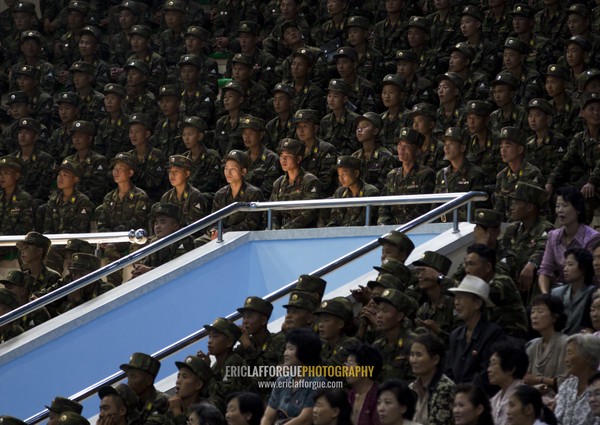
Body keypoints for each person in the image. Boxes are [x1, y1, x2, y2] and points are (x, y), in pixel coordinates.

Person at [446, 275, 506, 390]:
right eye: (456, 298)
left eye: (461, 298)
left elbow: (486, 375)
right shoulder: (455, 335)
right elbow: (449, 371)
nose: (456, 303)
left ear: (477, 304)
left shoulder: (493, 333)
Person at [538, 186, 600, 294]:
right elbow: (545, 270)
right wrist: (545, 295)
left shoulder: (592, 238)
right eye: (557, 206)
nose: (560, 210)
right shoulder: (553, 236)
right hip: (561, 290)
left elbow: (592, 275)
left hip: (587, 291)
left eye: (565, 206)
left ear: (578, 209)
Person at [501, 182, 554, 304]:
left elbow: (543, 249)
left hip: (532, 288)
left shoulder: (545, 228)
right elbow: (503, 254)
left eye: (516, 202)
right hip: (513, 284)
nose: (511, 207)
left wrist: (531, 264)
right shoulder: (512, 229)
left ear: (530, 207)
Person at [260, 328, 326, 425]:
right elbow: (268, 417)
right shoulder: (282, 380)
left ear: (304, 352)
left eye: (290, 349)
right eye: (286, 349)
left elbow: (305, 420)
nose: (285, 353)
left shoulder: (318, 382)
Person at [377, 127, 435, 225]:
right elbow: (384, 205)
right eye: (399, 145)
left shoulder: (426, 174)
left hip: (415, 226)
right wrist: (384, 224)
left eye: (406, 146)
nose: (401, 149)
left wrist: (405, 226)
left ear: (417, 150)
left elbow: (424, 207)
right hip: (392, 228)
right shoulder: (392, 175)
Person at [204, 150, 263, 240]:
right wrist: (214, 230)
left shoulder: (253, 193)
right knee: (198, 242)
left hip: (243, 238)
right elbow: (214, 219)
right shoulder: (220, 194)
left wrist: (225, 232)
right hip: (220, 236)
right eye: (226, 168)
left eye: (233, 169)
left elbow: (251, 223)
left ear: (243, 171)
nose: (228, 172)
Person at [269, 138, 322, 229]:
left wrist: (286, 229)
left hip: (304, 232)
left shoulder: (310, 181)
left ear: (298, 159)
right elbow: (273, 210)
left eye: (288, 155)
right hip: (281, 232)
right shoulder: (278, 183)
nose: (283, 159)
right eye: (281, 155)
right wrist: (275, 229)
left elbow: (309, 212)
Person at [198, 317, 247, 412]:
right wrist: (206, 368)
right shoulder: (216, 365)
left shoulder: (234, 361)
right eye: (210, 336)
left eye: (215, 336)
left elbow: (223, 393)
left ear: (229, 342)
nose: (209, 341)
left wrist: (207, 373)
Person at [524, 294, 568, 397]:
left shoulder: (565, 343)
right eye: (533, 311)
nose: (534, 316)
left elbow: (566, 381)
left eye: (540, 311)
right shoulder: (532, 345)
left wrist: (539, 380)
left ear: (554, 317)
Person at [409, 331, 455, 425]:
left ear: (435, 359)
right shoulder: (411, 388)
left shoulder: (445, 389)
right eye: (412, 354)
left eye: (419, 355)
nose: (413, 360)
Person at [373, 288, 418, 382]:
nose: (379, 316)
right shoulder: (377, 347)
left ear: (399, 316)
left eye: (384, 311)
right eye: (378, 311)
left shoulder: (414, 344)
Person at [555, 334, 600, 425]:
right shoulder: (567, 385)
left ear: (588, 357)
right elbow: (557, 418)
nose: (566, 360)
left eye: (570, 353)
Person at [551, 248, 596, 334]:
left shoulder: (593, 293)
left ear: (583, 268)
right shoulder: (556, 293)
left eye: (570, 264)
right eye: (565, 265)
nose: (565, 269)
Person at [412, 252, 455, 341]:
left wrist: (438, 331)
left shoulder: (453, 303)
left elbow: (462, 341)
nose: (419, 276)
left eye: (424, 272)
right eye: (419, 272)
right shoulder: (423, 310)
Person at [326, 155, 380, 227]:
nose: (340, 178)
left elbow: (362, 222)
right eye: (339, 174)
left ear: (356, 173)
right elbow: (334, 219)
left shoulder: (370, 193)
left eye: (344, 174)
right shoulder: (340, 192)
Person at [351, 112, 395, 193]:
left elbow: (385, 188)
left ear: (375, 131)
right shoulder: (354, 156)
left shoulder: (386, 156)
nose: (359, 130)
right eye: (358, 127)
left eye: (364, 126)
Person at [239, 116, 281, 199]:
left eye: (250, 133)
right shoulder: (241, 157)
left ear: (261, 135)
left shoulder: (271, 158)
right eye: (244, 133)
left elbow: (268, 188)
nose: (246, 137)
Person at [160, 154, 207, 228]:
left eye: (176, 171)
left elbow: (195, 225)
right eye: (170, 171)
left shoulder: (195, 196)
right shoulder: (166, 197)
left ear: (187, 174)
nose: (172, 175)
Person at [488, 342, 529, 425]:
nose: (489, 369)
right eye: (489, 364)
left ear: (511, 369)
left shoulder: (524, 396)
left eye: (493, 364)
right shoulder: (494, 400)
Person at [119, 352, 169, 417]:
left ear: (149, 380)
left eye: (133, 376)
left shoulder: (162, 402)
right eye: (128, 377)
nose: (128, 383)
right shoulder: (133, 404)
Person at [168, 355, 214, 424]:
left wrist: (178, 415)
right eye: (178, 376)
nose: (178, 381)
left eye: (184, 376)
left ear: (198, 385)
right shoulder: (174, 406)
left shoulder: (207, 411)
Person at [346, 343, 383, 425]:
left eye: (350, 364)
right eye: (346, 364)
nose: (346, 369)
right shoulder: (350, 395)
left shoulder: (379, 396)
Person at [17, 231, 61, 296]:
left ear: (39, 251)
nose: (22, 251)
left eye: (27, 247)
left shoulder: (53, 277)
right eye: (22, 248)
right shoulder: (22, 277)